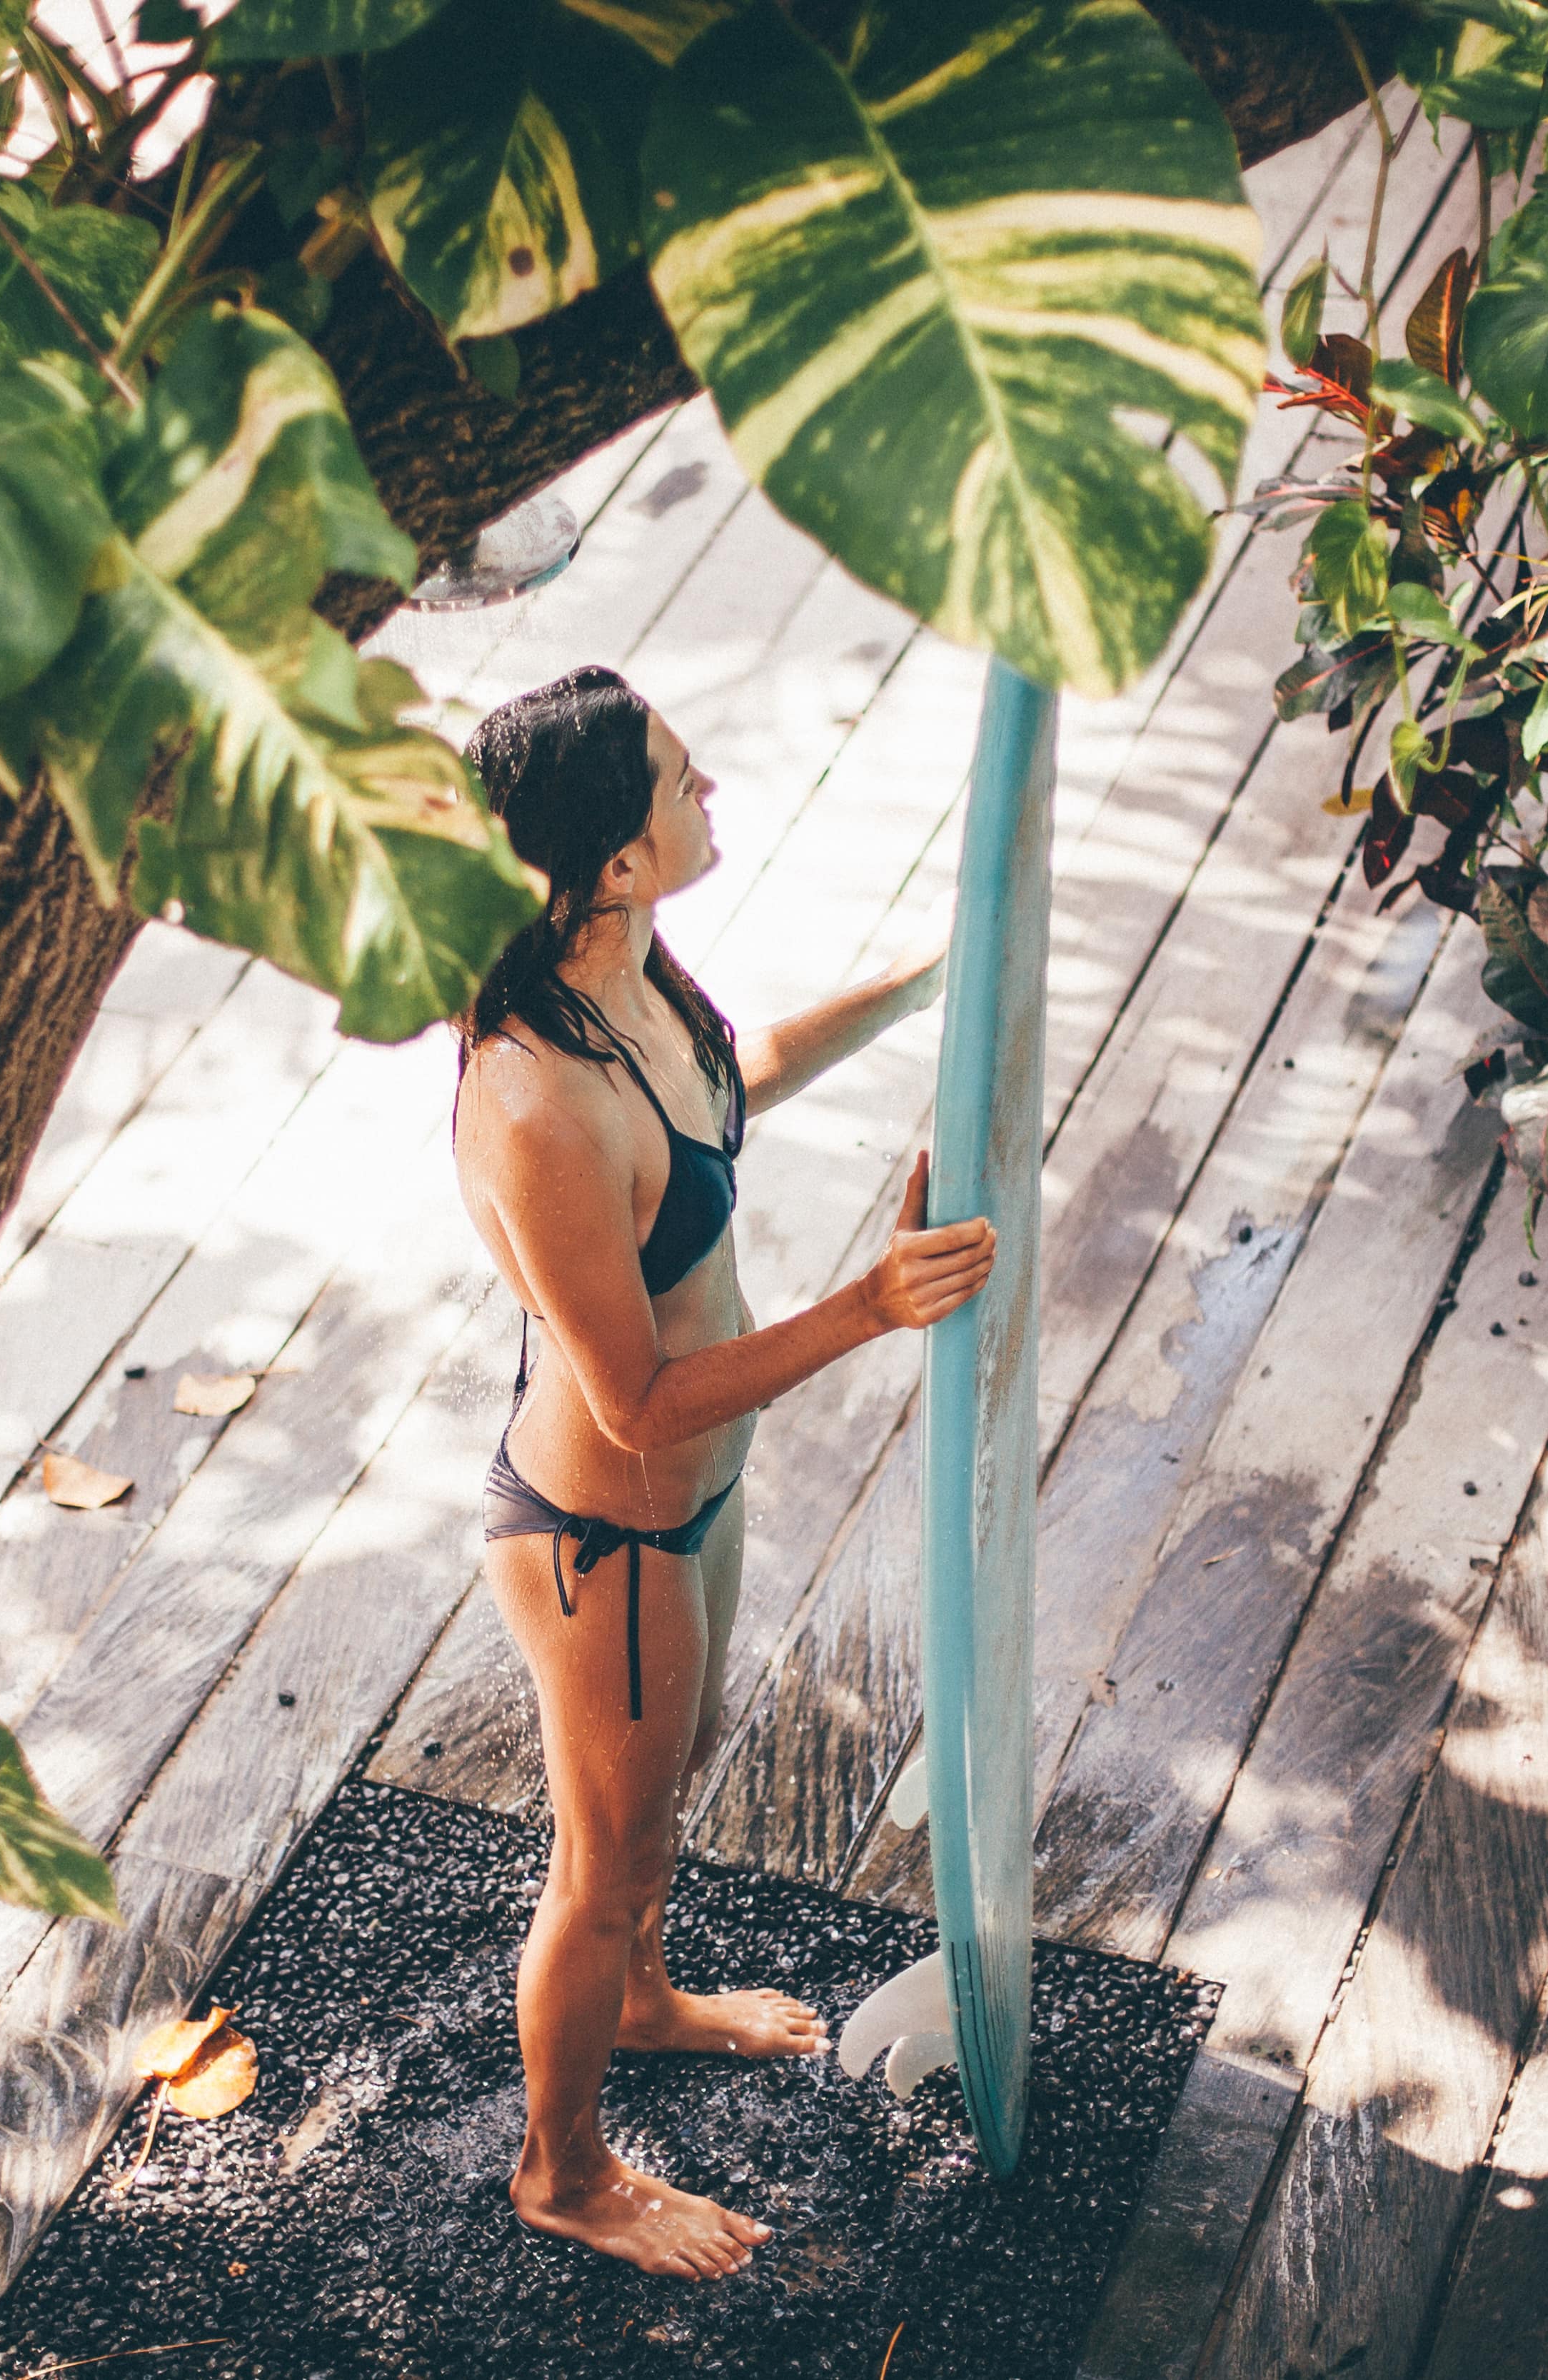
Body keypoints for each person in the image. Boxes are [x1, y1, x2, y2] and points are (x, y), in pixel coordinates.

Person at [450, 665, 997, 2279]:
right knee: (600, 1860)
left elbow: (725, 1075)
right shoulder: (535, 1094)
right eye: (683, 785)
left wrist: (922, 984)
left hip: (694, 1498)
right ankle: (561, 2169)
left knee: (657, 1809)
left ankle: (639, 1998)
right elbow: (630, 1399)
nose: (712, 799)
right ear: (612, 860)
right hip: (601, 1531)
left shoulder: (623, 974)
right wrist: (869, 1303)